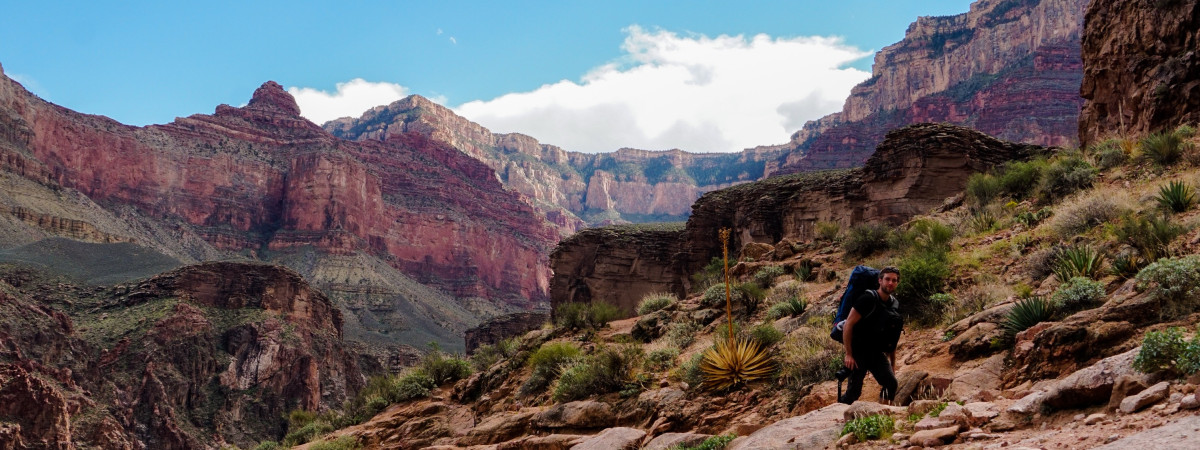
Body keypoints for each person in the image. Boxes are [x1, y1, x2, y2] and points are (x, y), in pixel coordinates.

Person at [838, 266, 903, 405]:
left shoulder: (894, 304)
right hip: (858, 352)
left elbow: (893, 337)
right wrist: (848, 354)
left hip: (876, 353)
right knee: (853, 392)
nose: (890, 283)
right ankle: (838, 418)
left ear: (897, 283)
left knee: (891, 384)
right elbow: (848, 324)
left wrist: (892, 365)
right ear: (880, 280)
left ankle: (883, 415)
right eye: (887, 279)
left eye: (894, 280)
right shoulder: (867, 298)